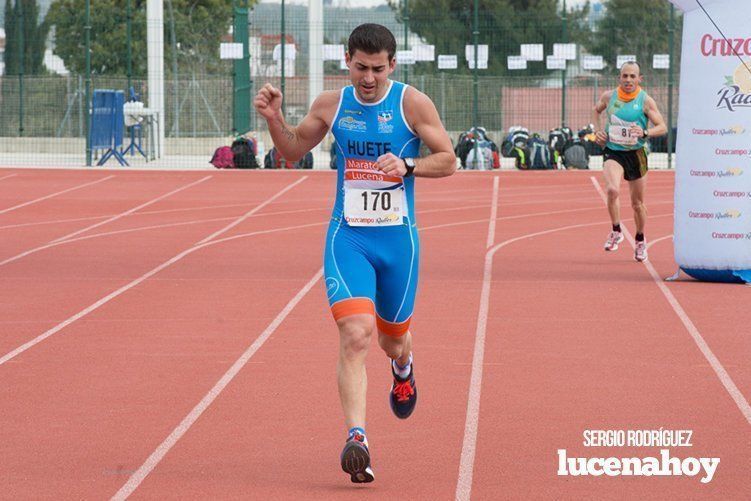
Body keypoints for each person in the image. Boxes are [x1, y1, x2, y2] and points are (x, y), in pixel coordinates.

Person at [253, 23, 456, 484]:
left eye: (378, 70)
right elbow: (291, 150)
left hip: (397, 242)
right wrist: (272, 119)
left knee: (391, 340)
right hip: (349, 238)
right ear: (346, 59)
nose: (368, 78)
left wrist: (407, 164)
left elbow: (449, 159)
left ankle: (403, 368)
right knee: (356, 334)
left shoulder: (411, 103)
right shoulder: (331, 105)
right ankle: (357, 439)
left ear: (393, 65)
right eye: (360, 68)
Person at [593, 61, 666, 262]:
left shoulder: (645, 101)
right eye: (625, 76)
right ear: (619, 78)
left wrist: (645, 132)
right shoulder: (609, 97)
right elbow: (596, 110)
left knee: (637, 204)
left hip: (636, 154)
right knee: (612, 190)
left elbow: (662, 127)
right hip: (613, 151)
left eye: (632, 76)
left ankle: (640, 239)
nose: (628, 80)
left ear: (639, 79)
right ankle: (616, 230)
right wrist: (597, 131)